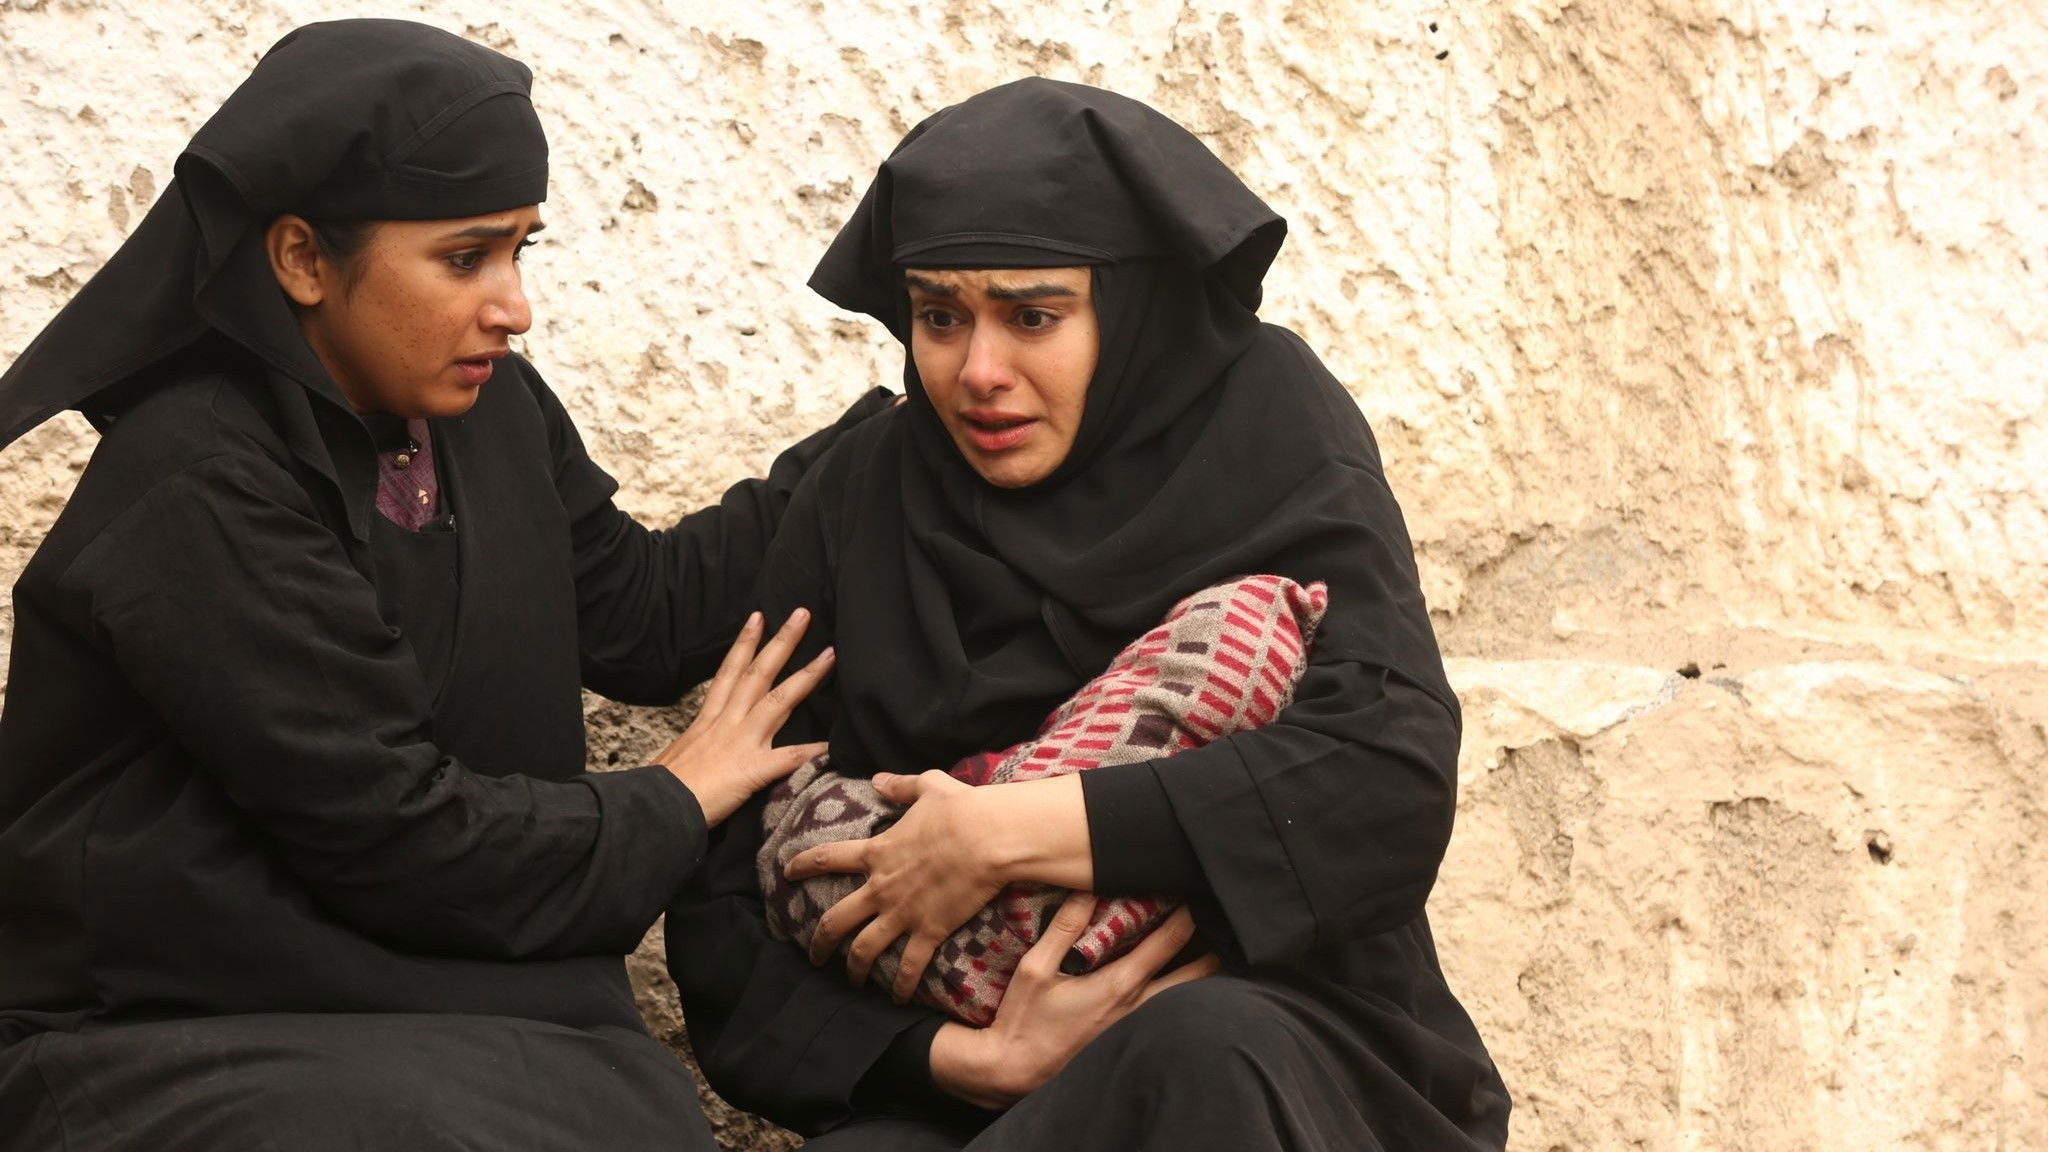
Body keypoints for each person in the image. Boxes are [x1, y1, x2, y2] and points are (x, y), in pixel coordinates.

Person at [0, 19, 884, 1150]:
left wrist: (893, 450)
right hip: (174, 1028)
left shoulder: (485, 409)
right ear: (301, 260)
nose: (512, 305)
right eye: (465, 259)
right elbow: (394, 834)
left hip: (438, 1000)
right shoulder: (202, 475)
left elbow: (641, 614)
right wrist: (672, 797)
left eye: (521, 251)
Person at [665, 78, 1512, 1150]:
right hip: (948, 1084)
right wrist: (959, 1059)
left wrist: (1001, 835)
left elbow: (1381, 778)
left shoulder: (1266, 431)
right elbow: (723, 907)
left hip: (1274, 1037)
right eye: (939, 317)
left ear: (1133, 309)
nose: (978, 372)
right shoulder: (866, 491)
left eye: (1033, 316)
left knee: (1195, 1051)